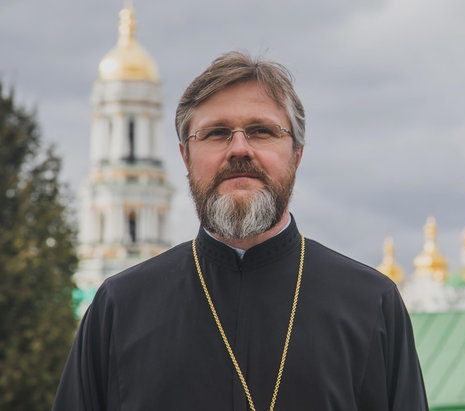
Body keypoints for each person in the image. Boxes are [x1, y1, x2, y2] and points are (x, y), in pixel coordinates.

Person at [53, 51, 428, 411]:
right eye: (216, 133)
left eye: (261, 131)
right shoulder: (120, 307)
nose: (239, 149)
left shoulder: (370, 303)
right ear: (185, 156)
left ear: (296, 154)